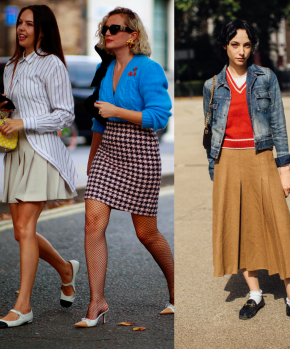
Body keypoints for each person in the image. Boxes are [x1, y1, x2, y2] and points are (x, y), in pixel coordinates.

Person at [202, 19, 290, 326]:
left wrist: (284, 168)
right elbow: (211, 133)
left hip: (262, 157)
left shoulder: (266, 78)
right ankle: (254, 294)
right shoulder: (212, 86)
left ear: (252, 46)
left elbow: (279, 124)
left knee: (279, 226)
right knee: (240, 227)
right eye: (234, 45)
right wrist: (215, 171)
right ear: (225, 47)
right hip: (227, 160)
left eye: (246, 44)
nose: (240, 51)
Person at [78, 7, 174, 328]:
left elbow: (159, 117)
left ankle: (177, 290)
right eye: (105, 28)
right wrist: (93, 161)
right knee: (93, 223)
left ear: (132, 35)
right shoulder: (106, 71)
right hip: (109, 152)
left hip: (140, 153)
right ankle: (97, 302)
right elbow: (99, 121)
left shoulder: (148, 69)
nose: (107, 33)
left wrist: (117, 109)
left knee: (146, 233)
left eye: (115, 28)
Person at [0, 5, 79, 328]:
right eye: (20, 23)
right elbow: (11, 116)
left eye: (29, 24)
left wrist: (23, 122)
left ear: (42, 29)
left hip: (42, 152)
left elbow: (64, 114)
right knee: (19, 232)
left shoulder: (51, 63)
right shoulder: (11, 65)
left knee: (26, 229)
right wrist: (4, 112)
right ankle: (66, 270)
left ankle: (23, 305)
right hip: (15, 153)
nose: (22, 29)